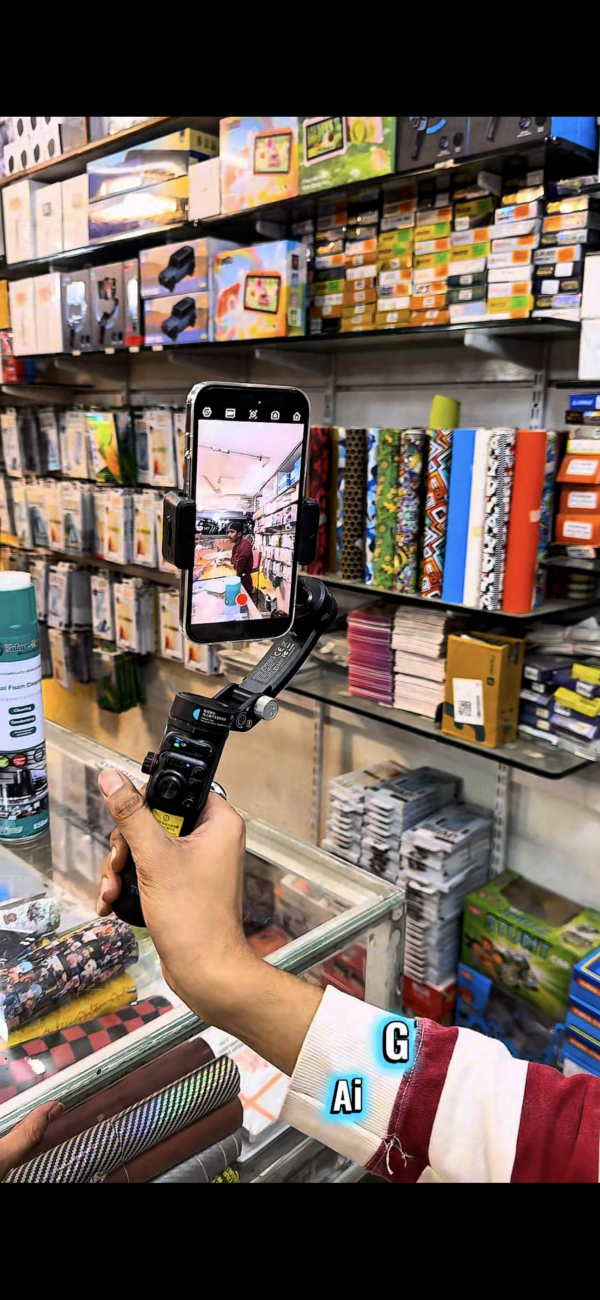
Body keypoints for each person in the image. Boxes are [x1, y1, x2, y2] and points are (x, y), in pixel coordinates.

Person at [225, 523, 253, 596]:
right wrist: (225, 560)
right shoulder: (236, 546)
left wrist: (227, 564)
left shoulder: (245, 545)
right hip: (237, 580)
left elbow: (239, 568)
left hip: (243, 585)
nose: (229, 535)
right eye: (228, 532)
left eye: (232, 532)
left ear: (239, 534)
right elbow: (233, 561)